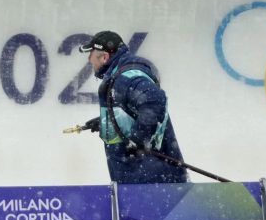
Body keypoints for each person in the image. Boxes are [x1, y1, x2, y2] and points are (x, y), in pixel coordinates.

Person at [76, 30, 186, 184]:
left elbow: (154, 102)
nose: (89, 59)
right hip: (143, 179)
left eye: (91, 54)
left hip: (150, 181)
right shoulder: (120, 75)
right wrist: (108, 123)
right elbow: (136, 111)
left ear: (104, 57)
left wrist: (139, 139)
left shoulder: (127, 77)